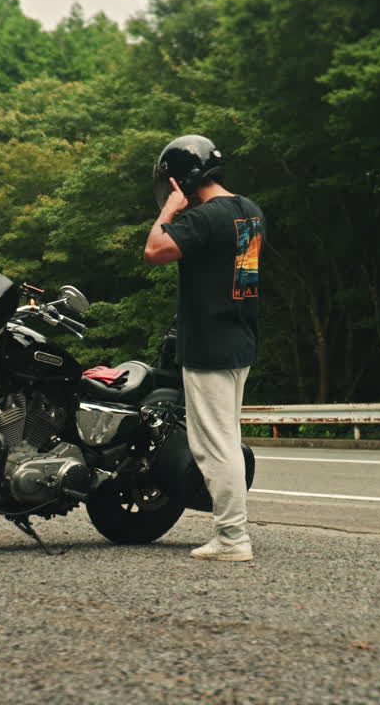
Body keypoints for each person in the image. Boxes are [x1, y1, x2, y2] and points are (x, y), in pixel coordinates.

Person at [143, 134, 266, 562]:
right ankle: (231, 535)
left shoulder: (206, 217)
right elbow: (244, 282)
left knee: (215, 446)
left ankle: (233, 539)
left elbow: (155, 250)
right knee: (226, 439)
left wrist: (170, 210)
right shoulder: (250, 213)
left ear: (181, 180)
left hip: (209, 346)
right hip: (239, 340)